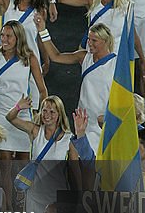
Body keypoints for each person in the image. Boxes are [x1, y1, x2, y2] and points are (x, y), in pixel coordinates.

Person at [36, 19, 116, 154]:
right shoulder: (84, 57)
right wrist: (43, 31)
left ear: (105, 41)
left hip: (104, 122)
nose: (89, 43)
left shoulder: (116, 64)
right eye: (89, 39)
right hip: (83, 121)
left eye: (94, 40)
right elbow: (56, 56)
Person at [6, 96, 79, 213]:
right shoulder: (35, 131)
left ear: (59, 114)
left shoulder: (69, 139)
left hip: (58, 195)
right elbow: (10, 118)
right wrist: (18, 107)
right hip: (36, 194)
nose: (47, 115)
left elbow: (75, 170)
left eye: (52, 112)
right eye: (44, 111)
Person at [0, 21, 47, 166]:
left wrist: (40, 115)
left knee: (23, 162)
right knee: (4, 162)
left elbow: (43, 90)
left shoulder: (30, 59)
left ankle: (20, 190)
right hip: (0, 114)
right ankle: (6, 190)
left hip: (22, 115)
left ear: (18, 38)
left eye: (8, 36)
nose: (4, 39)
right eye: (2, 35)